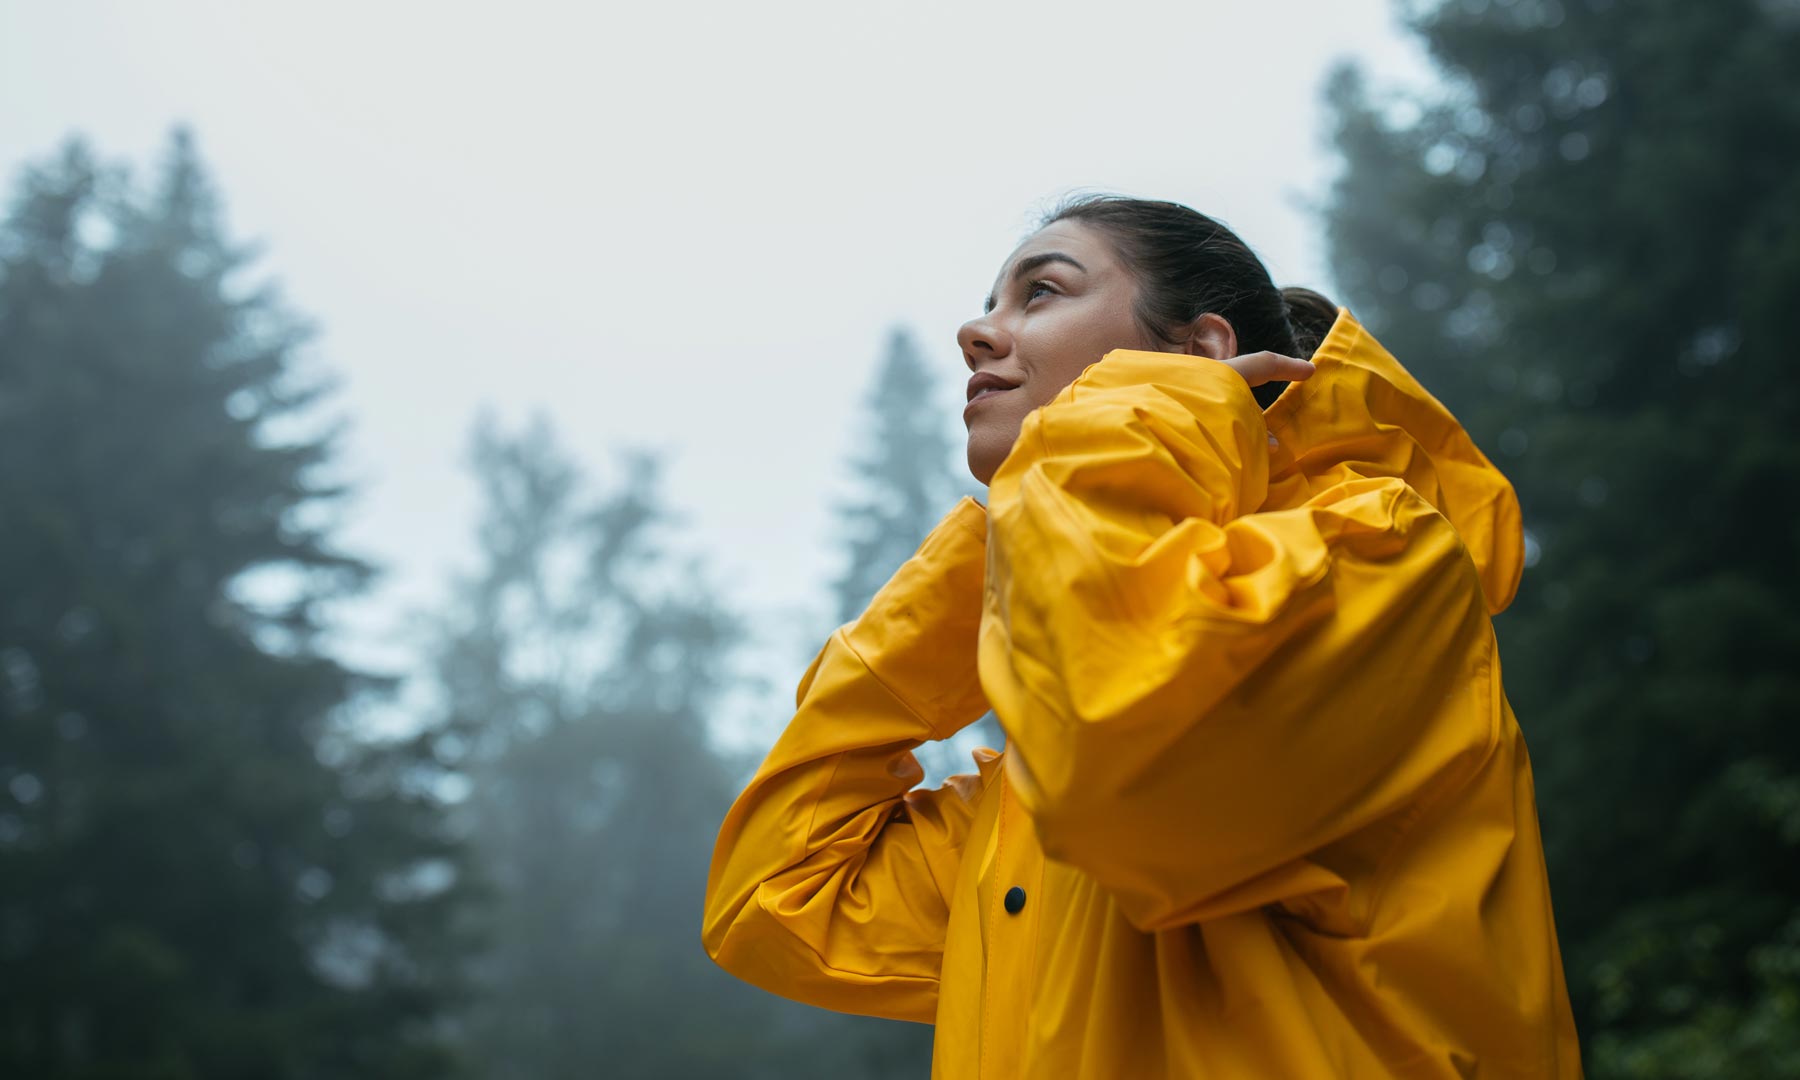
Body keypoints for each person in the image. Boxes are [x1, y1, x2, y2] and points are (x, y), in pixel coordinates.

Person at [702, 195, 1583, 1078]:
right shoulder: (1027, 795)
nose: (976, 331)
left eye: (1041, 292)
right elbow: (776, 899)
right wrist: (972, 585)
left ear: (1201, 352)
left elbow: (1124, 761)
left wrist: (1090, 465)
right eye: (989, 303)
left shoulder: (1376, 553)